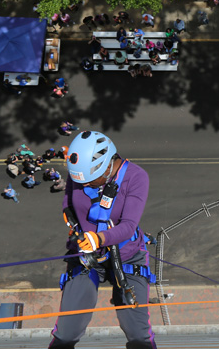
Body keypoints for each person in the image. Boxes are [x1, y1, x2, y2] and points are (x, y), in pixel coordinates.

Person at [50, 131, 156, 349]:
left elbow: (128, 226)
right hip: (86, 254)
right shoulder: (80, 171)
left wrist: (99, 238)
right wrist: (71, 220)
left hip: (126, 255)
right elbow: (68, 200)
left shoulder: (136, 177)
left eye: (91, 180)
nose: (85, 185)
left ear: (107, 166)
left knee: (138, 335)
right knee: (66, 333)